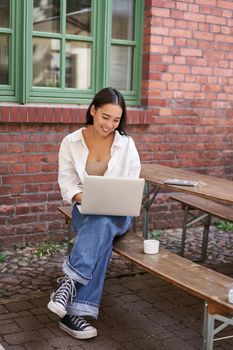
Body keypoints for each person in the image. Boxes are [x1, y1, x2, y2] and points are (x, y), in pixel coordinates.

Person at [47, 87, 141, 339]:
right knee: (100, 230)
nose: (110, 124)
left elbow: (131, 183)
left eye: (116, 119)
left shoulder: (127, 144)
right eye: (105, 117)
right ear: (93, 111)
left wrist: (108, 201)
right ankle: (73, 312)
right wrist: (84, 197)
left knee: (103, 221)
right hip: (84, 210)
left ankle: (67, 285)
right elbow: (67, 184)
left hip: (119, 215)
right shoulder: (71, 142)